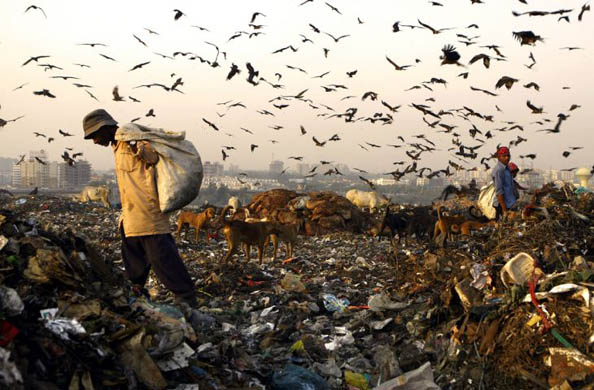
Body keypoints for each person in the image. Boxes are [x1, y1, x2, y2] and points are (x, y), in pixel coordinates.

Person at [82, 109, 197, 307]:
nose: (95, 141)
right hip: (130, 214)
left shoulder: (130, 139)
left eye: (95, 135)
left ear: (106, 127)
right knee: (133, 260)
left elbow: (152, 158)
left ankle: (186, 296)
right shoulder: (117, 146)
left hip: (148, 212)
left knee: (162, 256)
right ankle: (136, 292)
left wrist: (140, 147)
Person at [491, 146, 517, 220]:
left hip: (509, 203)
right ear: (499, 157)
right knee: (503, 227)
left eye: (508, 155)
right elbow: (499, 191)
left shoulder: (507, 167)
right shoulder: (499, 170)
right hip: (502, 205)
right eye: (504, 156)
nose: (507, 158)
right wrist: (504, 210)